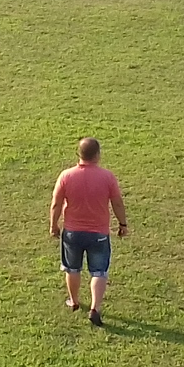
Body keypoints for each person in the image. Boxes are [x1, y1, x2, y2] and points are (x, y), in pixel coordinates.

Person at [50, 137, 128, 328]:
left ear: (79, 154)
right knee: (99, 272)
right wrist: (122, 223)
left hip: (72, 233)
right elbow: (117, 203)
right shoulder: (107, 177)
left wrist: (53, 225)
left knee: (72, 268)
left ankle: (74, 300)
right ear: (98, 155)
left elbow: (56, 204)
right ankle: (95, 308)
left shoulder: (66, 176)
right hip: (98, 234)